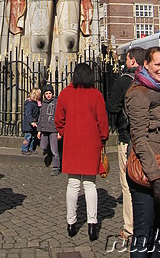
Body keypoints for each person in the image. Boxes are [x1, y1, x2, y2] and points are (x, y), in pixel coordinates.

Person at [125, 47, 160, 256]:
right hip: (146, 170)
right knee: (144, 232)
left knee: (156, 229)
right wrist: (156, 179)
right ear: (146, 64)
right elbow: (139, 139)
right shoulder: (138, 93)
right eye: (158, 64)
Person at [55, 63, 109, 241]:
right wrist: (102, 137)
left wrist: (64, 132)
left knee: (72, 184)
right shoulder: (96, 95)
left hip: (72, 142)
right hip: (91, 142)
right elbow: (102, 121)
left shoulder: (65, 93)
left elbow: (59, 119)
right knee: (90, 185)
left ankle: (71, 223)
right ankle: (92, 224)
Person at [106, 47, 145, 243]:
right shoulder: (154, 79)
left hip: (128, 137)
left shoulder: (124, 80)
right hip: (149, 139)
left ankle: (131, 228)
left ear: (131, 61)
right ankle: (148, 224)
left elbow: (111, 106)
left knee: (129, 182)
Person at [37, 83, 60, 175]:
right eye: (46, 93)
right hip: (44, 129)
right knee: (43, 146)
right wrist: (39, 130)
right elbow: (40, 117)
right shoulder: (43, 104)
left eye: (50, 93)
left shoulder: (56, 103)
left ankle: (56, 167)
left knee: (55, 149)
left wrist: (59, 131)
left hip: (53, 129)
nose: (48, 95)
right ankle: (49, 154)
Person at [21, 87, 41, 155]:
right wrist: (32, 121)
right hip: (29, 124)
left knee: (33, 137)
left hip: (33, 124)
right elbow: (28, 114)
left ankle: (31, 148)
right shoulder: (30, 104)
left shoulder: (35, 104)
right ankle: (24, 148)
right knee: (28, 137)